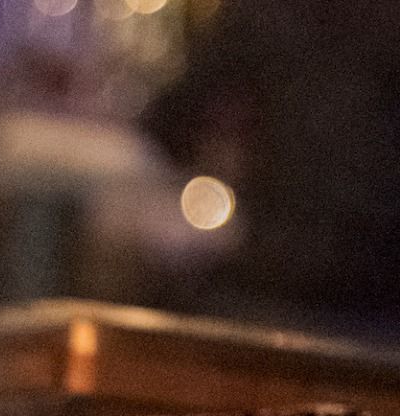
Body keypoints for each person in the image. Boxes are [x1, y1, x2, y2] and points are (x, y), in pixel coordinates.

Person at [143, 0, 400, 341]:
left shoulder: (268, 10)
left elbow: (169, 123)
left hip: (271, 287)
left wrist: (229, 153)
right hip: (382, 307)